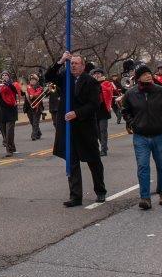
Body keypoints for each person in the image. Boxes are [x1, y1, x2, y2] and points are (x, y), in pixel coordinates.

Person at [45, 53, 106, 207]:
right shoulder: (65, 78)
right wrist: (60, 61)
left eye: (76, 63)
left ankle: (100, 191)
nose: (73, 65)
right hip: (68, 128)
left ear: (83, 66)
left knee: (93, 161)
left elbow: (94, 105)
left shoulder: (91, 82)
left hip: (85, 127)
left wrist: (77, 113)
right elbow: (49, 76)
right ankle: (75, 196)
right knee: (72, 162)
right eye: (71, 63)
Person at [122, 64, 162, 209]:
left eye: (149, 73)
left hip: (158, 135)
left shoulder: (161, 91)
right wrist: (132, 123)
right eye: (144, 74)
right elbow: (125, 111)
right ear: (139, 77)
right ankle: (145, 198)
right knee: (143, 166)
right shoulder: (131, 93)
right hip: (140, 136)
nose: (148, 75)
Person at [0, 71, 20, 156]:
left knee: (9, 132)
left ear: (9, 77)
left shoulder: (12, 85)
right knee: (4, 133)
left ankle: (9, 151)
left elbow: (15, 90)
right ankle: (12, 148)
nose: (4, 76)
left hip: (11, 111)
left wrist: (7, 84)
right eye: (3, 75)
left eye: (6, 75)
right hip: (2, 111)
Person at [93, 69, 116, 156]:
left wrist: (99, 85)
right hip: (95, 110)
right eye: (95, 74)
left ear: (102, 74)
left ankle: (103, 149)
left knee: (103, 130)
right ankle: (104, 146)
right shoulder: (93, 83)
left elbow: (109, 91)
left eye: (98, 74)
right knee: (97, 131)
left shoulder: (106, 83)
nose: (97, 75)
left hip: (103, 109)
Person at [23, 74, 45, 141]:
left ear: (36, 81)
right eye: (31, 80)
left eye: (34, 80)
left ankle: (33, 135)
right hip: (28, 107)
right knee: (32, 121)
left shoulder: (40, 87)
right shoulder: (26, 87)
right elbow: (21, 92)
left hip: (37, 107)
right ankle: (39, 132)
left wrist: (33, 96)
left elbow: (39, 94)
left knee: (35, 122)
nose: (32, 81)